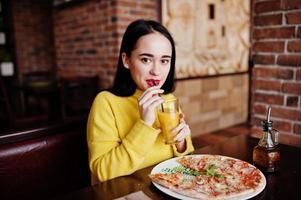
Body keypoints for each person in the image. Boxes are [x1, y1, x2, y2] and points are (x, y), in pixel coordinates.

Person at [87, 19, 194, 183]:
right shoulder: (106, 102)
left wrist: (181, 144)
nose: (156, 71)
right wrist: (144, 124)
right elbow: (103, 172)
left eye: (164, 60)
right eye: (146, 59)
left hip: (169, 187)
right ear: (126, 60)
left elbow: (187, 162)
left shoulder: (168, 100)